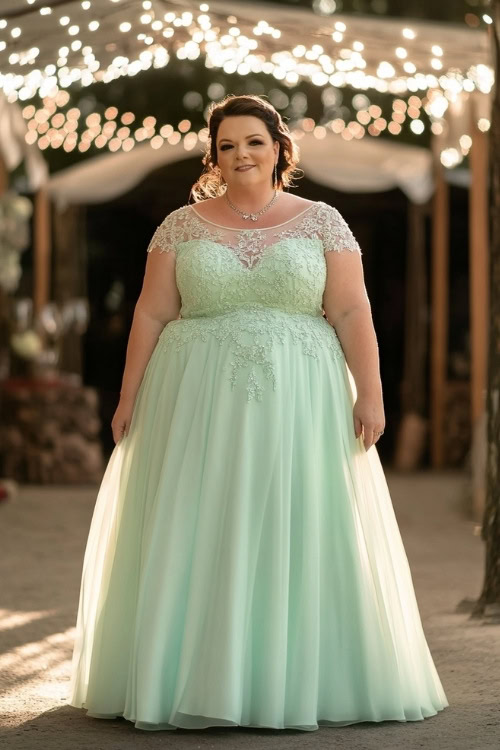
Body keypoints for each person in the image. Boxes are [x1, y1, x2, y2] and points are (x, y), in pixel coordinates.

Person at [68, 94, 448, 731]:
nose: (240, 155)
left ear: (279, 148)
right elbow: (153, 312)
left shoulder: (323, 221)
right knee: (197, 519)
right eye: (226, 145)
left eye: (253, 142)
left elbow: (353, 311)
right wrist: (129, 395)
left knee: (294, 516)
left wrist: (372, 392)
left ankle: (290, 676)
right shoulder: (179, 227)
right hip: (192, 399)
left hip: (300, 399)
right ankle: (187, 674)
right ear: (213, 156)